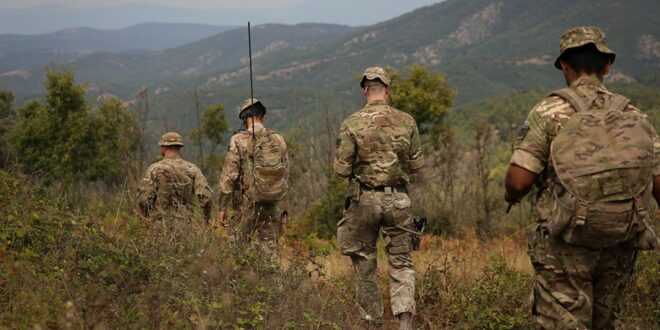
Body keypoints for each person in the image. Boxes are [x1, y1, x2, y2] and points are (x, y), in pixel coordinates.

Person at [504, 26, 659, 329]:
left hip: (565, 245)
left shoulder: (549, 112)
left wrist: (511, 197)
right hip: (620, 242)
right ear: (607, 66)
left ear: (564, 64)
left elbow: (518, 182)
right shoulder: (635, 115)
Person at [334, 66, 424, 329]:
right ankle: (404, 322)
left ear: (364, 91)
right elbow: (417, 166)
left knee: (364, 263)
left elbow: (341, 170)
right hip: (398, 200)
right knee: (402, 262)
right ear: (387, 90)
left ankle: (372, 322)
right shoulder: (407, 121)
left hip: (364, 201)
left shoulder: (351, 123)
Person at [217, 98, 289, 259]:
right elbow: (286, 173)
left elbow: (229, 176)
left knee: (239, 250)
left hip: (246, 205)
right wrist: (282, 204)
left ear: (244, 119)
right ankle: (270, 282)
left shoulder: (238, 140)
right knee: (269, 252)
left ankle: (246, 281)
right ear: (263, 116)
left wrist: (222, 207)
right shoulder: (278, 139)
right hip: (272, 203)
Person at [137, 132, 213, 223]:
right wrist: (205, 219)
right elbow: (207, 197)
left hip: (160, 225)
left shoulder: (154, 169)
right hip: (186, 225)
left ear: (164, 148)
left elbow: (143, 199)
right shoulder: (192, 169)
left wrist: (147, 215)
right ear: (179, 147)